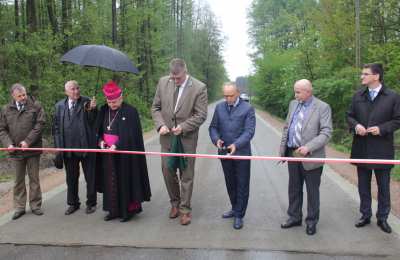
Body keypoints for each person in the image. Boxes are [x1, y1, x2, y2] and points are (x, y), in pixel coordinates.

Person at [151, 58, 208, 225]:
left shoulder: (199, 88)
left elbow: (201, 115)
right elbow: (155, 108)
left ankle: (185, 210)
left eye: (179, 78)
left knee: (186, 174)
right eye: (173, 78)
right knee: (168, 172)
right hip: (167, 138)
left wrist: (183, 127)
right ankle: (174, 204)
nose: (175, 81)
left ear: (186, 71)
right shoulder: (163, 82)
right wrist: (160, 125)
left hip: (186, 139)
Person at [346, 63, 400, 234]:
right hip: (361, 147)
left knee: (383, 186)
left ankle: (382, 218)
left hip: (382, 149)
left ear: (376, 76)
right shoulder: (358, 95)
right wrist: (356, 126)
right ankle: (365, 214)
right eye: (362, 73)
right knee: (363, 185)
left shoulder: (392, 96)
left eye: (365, 74)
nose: (362, 76)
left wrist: (382, 129)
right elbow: (349, 116)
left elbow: (398, 120)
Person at [279, 79, 332, 235]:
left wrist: (309, 147)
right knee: (294, 188)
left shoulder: (322, 107)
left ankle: (311, 221)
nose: (295, 95)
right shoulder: (293, 104)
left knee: (312, 190)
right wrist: (283, 148)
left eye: (298, 92)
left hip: (312, 156)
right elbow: (287, 127)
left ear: (309, 91)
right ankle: (294, 217)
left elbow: (326, 132)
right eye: (295, 91)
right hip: (292, 153)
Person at [96, 81, 151, 222]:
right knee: (110, 182)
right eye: (109, 102)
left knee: (125, 181)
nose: (112, 105)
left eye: (114, 101)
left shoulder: (130, 111)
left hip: (126, 155)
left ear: (121, 98)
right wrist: (101, 141)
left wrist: (118, 145)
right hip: (108, 154)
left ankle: (128, 211)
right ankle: (112, 210)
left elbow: (132, 134)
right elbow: (98, 130)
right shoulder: (103, 110)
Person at [209, 83, 255, 230]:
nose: (228, 98)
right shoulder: (219, 108)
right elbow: (213, 127)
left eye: (231, 95)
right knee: (230, 184)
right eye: (225, 95)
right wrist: (216, 139)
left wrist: (236, 144)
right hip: (224, 153)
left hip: (241, 153)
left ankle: (239, 215)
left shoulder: (248, 108)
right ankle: (235, 208)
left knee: (242, 185)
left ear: (238, 93)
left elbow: (249, 131)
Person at [0, 83, 45, 220]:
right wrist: (8, 144)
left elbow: (40, 124)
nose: (23, 97)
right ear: (13, 96)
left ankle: (35, 205)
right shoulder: (6, 109)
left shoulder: (36, 106)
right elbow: (2, 129)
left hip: (32, 149)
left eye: (24, 94)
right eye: (19, 96)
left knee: (34, 179)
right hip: (15, 152)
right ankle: (19, 207)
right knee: (18, 181)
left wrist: (28, 141)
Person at [53, 80, 97, 215]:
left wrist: (93, 110)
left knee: (90, 177)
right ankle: (73, 203)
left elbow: (94, 122)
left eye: (78, 88)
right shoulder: (59, 106)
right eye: (73, 89)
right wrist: (58, 147)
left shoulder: (88, 102)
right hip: (68, 149)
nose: (76, 91)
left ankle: (91, 203)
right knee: (71, 178)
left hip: (86, 147)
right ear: (66, 91)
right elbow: (55, 127)